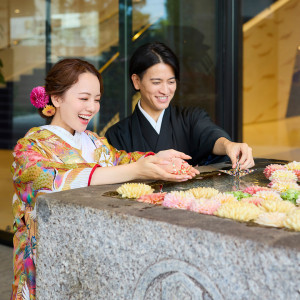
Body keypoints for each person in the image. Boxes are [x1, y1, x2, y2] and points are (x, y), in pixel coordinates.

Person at [10, 58, 199, 299]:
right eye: (84, 98)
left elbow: (122, 159)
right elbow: (52, 179)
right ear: (56, 99)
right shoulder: (29, 148)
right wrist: (136, 170)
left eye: (97, 99)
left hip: (90, 254)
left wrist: (157, 159)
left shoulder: (94, 142)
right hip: (48, 260)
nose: (92, 107)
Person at [105, 42, 254, 170]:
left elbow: (210, 135)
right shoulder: (117, 135)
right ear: (137, 81)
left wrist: (229, 145)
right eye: (156, 82)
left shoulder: (191, 118)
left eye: (171, 82)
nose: (165, 90)